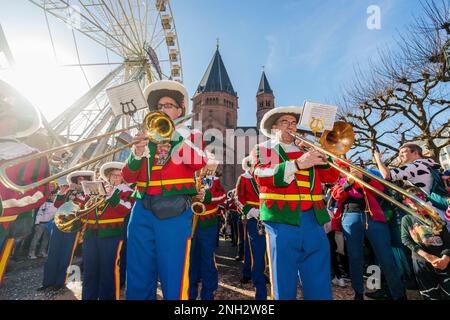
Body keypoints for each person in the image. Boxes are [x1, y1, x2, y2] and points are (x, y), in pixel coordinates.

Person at [123, 80, 207, 300]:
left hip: (175, 208)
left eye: (168, 105)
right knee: (138, 270)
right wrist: (137, 152)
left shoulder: (191, 136)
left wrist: (175, 136)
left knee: (174, 272)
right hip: (141, 208)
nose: (163, 109)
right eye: (159, 106)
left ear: (180, 110)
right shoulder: (146, 138)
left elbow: (199, 162)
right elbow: (128, 177)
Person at [251, 106, 339, 300]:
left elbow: (332, 175)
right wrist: (298, 164)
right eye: (285, 122)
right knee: (283, 278)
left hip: (313, 220)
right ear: (274, 127)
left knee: (319, 278)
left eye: (294, 123)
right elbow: (262, 175)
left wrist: (323, 154)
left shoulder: (307, 150)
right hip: (281, 220)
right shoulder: (263, 149)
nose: (291, 126)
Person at [330, 162, 406, 300]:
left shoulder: (368, 176)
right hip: (350, 217)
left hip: (374, 217)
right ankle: (358, 293)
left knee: (386, 257)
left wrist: (364, 178)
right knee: (355, 257)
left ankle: (398, 294)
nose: (347, 170)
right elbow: (338, 196)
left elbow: (380, 189)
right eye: (342, 168)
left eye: (348, 168)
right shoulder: (339, 182)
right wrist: (349, 181)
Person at [0, 80, 51, 284]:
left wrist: (5, 205)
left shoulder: (32, 155)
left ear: (15, 123)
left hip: (3, 221)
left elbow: (39, 192)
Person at [81, 162, 133, 300]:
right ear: (108, 176)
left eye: (119, 175)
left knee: (108, 271)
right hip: (90, 233)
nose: (116, 178)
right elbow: (85, 208)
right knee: (89, 271)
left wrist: (111, 196)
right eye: (113, 175)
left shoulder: (127, 191)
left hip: (111, 234)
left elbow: (126, 209)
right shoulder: (99, 188)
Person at [39, 170, 94, 291]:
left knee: (66, 254)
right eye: (79, 179)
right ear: (75, 180)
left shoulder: (89, 194)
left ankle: (60, 282)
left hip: (74, 227)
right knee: (52, 253)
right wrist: (61, 194)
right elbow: (58, 206)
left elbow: (85, 210)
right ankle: (47, 282)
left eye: (84, 179)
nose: (81, 181)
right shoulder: (69, 191)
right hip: (60, 225)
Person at [401, 185, 450, 300]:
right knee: (430, 295)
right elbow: (406, 240)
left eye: (417, 196)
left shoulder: (435, 217)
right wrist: (428, 257)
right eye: (409, 198)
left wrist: (445, 258)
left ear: (422, 198)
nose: (413, 200)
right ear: (406, 202)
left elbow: (448, 240)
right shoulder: (407, 219)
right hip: (422, 263)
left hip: (443, 260)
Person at [189, 156, 226, 300]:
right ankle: (190, 291)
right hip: (191, 223)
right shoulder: (191, 178)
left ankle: (208, 292)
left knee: (207, 258)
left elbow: (222, 196)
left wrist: (208, 196)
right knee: (191, 258)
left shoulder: (215, 180)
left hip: (208, 223)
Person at [235, 155, 267, 300]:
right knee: (255, 250)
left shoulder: (263, 176)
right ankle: (256, 279)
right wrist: (250, 211)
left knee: (259, 249)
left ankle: (255, 273)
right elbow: (237, 198)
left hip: (267, 215)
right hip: (253, 217)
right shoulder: (243, 178)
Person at [28, 186, 58, 259]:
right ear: (50, 196)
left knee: (46, 239)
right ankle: (31, 253)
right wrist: (37, 223)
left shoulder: (57, 205)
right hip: (41, 223)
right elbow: (39, 213)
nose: (54, 197)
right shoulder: (45, 203)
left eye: (55, 196)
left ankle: (41, 252)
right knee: (36, 238)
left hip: (49, 224)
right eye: (53, 196)